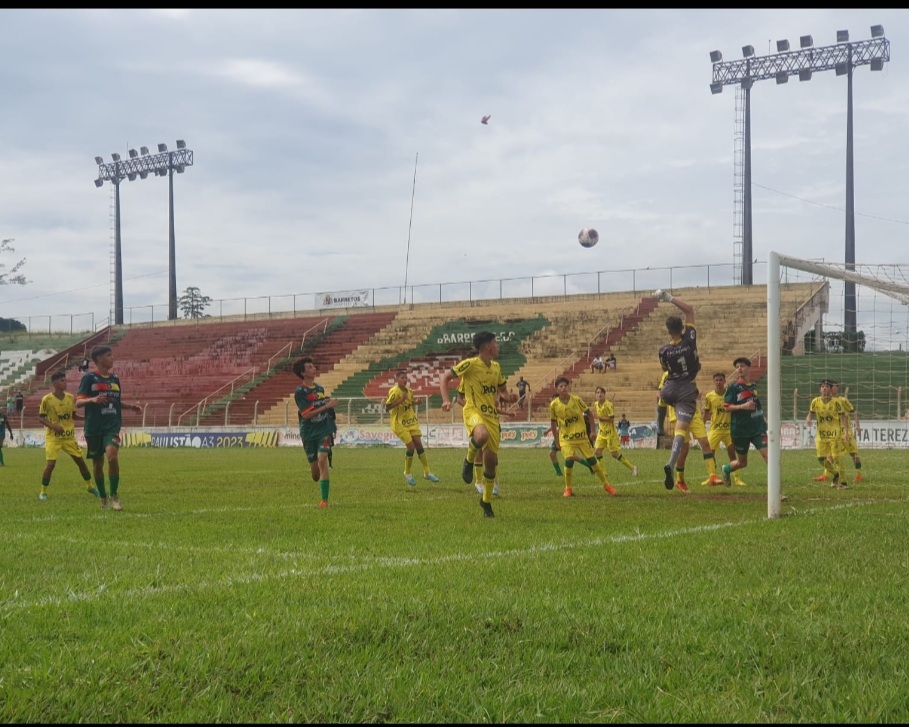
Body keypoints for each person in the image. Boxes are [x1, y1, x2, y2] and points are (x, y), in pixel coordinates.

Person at [440, 331, 518, 518]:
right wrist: (445, 400)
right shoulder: (470, 364)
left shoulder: (497, 367)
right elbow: (445, 377)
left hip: (492, 417)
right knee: (480, 435)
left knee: (491, 462)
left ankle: (486, 501)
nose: (497, 346)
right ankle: (468, 461)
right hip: (473, 410)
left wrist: (510, 397)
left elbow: (503, 391)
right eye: (495, 342)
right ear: (487, 346)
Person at [654, 289, 716, 491]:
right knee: (682, 437)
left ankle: (659, 422)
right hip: (685, 391)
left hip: (670, 389)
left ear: (667, 330)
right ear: (682, 327)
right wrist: (668, 298)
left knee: (695, 439)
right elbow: (690, 310)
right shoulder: (689, 340)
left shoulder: (664, 350)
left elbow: (664, 368)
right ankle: (671, 465)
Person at [75, 345, 142, 511]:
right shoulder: (89, 378)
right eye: (108, 355)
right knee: (98, 465)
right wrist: (92, 400)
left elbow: (115, 401)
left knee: (112, 458)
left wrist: (130, 406)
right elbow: (78, 402)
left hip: (112, 425)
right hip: (94, 427)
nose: (112, 358)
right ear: (98, 359)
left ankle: (114, 495)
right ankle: (103, 497)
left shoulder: (115, 379)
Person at [549, 377, 616, 498]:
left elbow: (589, 413)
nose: (564, 388)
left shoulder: (576, 400)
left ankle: (606, 485)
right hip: (566, 438)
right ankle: (568, 488)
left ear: (568, 387)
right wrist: (556, 439)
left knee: (593, 461)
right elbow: (553, 423)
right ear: (557, 389)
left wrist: (593, 431)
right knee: (569, 459)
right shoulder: (554, 405)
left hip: (581, 437)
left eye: (565, 386)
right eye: (561, 386)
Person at [37, 371, 98, 501]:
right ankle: (43, 492)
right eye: (62, 381)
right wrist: (54, 427)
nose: (65, 383)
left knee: (81, 462)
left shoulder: (70, 397)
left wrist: (86, 419)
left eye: (65, 380)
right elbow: (41, 418)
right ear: (54, 383)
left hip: (69, 437)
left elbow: (73, 415)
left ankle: (90, 486)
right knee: (51, 465)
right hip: (53, 438)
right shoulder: (47, 399)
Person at [720, 358, 776, 493]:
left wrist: (763, 417)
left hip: (757, 428)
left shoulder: (754, 387)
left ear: (749, 368)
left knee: (769, 457)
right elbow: (727, 408)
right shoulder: (733, 387)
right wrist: (743, 406)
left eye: (742, 366)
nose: (739, 368)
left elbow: (757, 405)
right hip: (740, 430)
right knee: (742, 463)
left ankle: (776, 491)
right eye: (737, 366)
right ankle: (726, 469)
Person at [292, 356, 339, 508]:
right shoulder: (300, 391)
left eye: (313, 366)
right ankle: (314, 471)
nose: (314, 369)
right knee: (315, 474)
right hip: (309, 433)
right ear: (303, 373)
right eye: (310, 367)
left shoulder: (319, 389)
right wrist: (326, 406)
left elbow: (319, 405)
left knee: (322, 458)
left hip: (324, 429)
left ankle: (324, 500)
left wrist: (326, 403)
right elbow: (306, 415)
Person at [385, 368, 439, 487]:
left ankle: (427, 472)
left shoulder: (409, 391)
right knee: (411, 448)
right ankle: (407, 473)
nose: (405, 380)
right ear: (397, 379)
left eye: (405, 378)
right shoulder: (394, 392)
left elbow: (410, 403)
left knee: (419, 445)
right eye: (402, 378)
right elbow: (387, 407)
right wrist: (401, 400)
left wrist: (416, 403)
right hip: (399, 423)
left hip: (411, 420)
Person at [703, 371, 746, 487]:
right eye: (716, 380)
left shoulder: (730, 394)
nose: (718, 382)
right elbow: (706, 412)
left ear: (724, 381)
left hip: (729, 430)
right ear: (713, 382)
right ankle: (712, 477)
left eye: (720, 380)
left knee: (732, 454)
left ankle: (737, 479)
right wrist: (702, 426)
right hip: (715, 430)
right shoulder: (709, 396)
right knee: (709, 454)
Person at [805, 379, 847, 490]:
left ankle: (843, 483)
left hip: (834, 434)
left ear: (830, 389)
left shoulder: (836, 402)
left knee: (836, 458)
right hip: (821, 435)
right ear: (820, 389)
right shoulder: (815, 401)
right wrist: (808, 419)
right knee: (821, 459)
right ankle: (835, 474)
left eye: (827, 386)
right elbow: (810, 414)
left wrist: (846, 432)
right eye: (822, 386)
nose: (824, 388)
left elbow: (843, 416)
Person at [591, 386, 638, 480]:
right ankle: (603, 473)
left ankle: (633, 467)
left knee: (614, 454)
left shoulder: (608, 405)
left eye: (601, 392)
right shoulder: (596, 404)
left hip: (610, 433)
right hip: (601, 432)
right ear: (595, 395)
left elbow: (611, 419)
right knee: (597, 451)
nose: (599, 394)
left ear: (604, 394)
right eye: (597, 393)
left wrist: (600, 418)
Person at [825, 380, 863, 483]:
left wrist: (858, 426)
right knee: (831, 454)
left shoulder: (842, 400)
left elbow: (853, 412)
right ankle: (825, 475)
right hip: (834, 432)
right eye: (828, 386)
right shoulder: (826, 401)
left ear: (835, 388)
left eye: (830, 386)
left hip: (846, 432)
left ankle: (859, 474)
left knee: (853, 453)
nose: (828, 388)